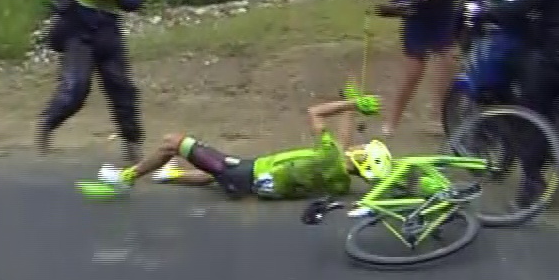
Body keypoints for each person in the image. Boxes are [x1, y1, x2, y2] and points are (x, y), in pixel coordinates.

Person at [83, 96, 384, 200]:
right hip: (249, 182)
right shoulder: (341, 182)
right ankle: (170, 176)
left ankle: (126, 179)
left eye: (363, 147)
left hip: (243, 174)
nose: (359, 144)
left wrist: (353, 104)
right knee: (213, 173)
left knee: (172, 142)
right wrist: (351, 107)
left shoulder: (331, 154)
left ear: (359, 157)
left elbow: (314, 112)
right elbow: (342, 145)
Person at [34, 0, 149, 165]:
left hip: (109, 30)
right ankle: (48, 123)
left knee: (122, 89)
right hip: (78, 27)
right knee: (76, 88)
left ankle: (132, 143)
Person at [376, 0, 462, 137]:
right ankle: (392, 120)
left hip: (443, 19)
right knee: (413, 74)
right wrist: (403, 0)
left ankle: (440, 118)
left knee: (448, 68)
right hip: (417, 21)